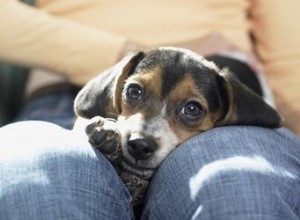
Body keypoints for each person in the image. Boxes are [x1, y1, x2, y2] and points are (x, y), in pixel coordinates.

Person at [0, 0, 300, 219]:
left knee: (240, 187)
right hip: (76, 95)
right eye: (136, 91)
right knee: (34, 184)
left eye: (191, 108)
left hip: (223, 107)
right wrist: (132, 54)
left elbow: (291, 62)